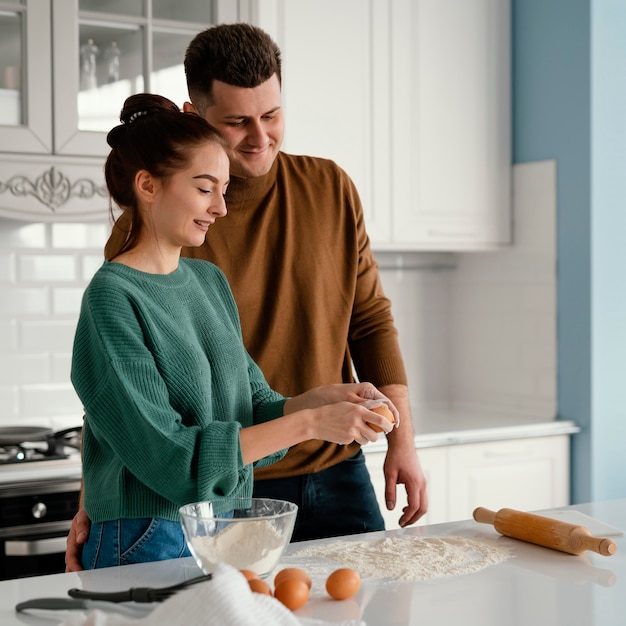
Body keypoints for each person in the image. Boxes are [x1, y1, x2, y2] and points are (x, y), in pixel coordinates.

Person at [66, 23, 428, 570]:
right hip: (200, 505)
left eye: (272, 115)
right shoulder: (136, 263)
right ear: (195, 116)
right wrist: (95, 497)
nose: (259, 137)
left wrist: (371, 422)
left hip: (313, 471)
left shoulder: (317, 196)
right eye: (237, 121)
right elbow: (123, 398)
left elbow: (367, 322)